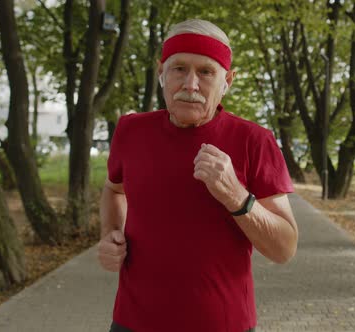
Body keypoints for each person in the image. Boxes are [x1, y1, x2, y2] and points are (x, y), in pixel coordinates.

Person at [98, 19, 298, 332]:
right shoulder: (131, 130)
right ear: (161, 73)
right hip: (133, 322)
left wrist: (236, 195)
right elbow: (114, 190)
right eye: (179, 68)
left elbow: (284, 249)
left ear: (228, 80)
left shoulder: (255, 141)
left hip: (223, 324)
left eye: (206, 72)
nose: (190, 84)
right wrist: (110, 232)